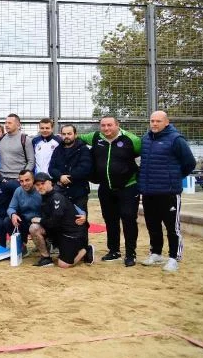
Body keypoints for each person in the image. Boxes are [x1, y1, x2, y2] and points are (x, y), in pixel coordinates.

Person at [78, 116, 142, 266]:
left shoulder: (132, 140)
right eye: (103, 125)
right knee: (110, 220)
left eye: (110, 125)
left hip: (128, 187)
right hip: (106, 188)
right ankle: (114, 251)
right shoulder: (95, 137)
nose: (106, 128)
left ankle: (130, 253)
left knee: (128, 219)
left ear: (117, 125)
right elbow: (75, 136)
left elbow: (144, 157)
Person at [138, 111, 196, 272]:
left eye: (158, 121)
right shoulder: (146, 139)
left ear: (166, 122)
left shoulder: (176, 140)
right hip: (149, 192)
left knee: (172, 228)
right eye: (152, 121)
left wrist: (174, 177)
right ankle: (156, 253)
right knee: (153, 225)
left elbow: (190, 163)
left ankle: (173, 258)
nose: (154, 124)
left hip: (168, 193)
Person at [30, 172, 93, 269]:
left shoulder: (56, 197)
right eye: (37, 185)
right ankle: (46, 258)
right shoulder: (44, 196)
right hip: (58, 231)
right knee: (34, 228)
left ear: (50, 183)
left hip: (71, 233)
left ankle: (85, 250)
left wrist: (40, 220)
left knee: (63, 265)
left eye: (42, 183)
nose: (40, 187)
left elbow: (54, 222)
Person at [49, 124, 92, 216]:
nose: (66, 136)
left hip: (79, 191)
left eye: (69, 134)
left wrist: (68, 177)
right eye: (64, 134)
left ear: (75, 135)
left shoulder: (83, 149)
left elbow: (84, 168)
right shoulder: (57, 149)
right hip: (60, 191)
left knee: (79, 219)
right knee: (59, 218)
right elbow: (51, 168)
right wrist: (60, 176)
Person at [6, 169, 41, 255]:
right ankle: (22, 246)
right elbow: (11, 208)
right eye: (21, 181)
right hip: (25, 220)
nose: (24, 183)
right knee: (7, 221)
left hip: (40, 221)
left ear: (33, 180)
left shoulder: (40, 190)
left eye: (27, 180)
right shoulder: (18, 190)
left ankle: (47, 244)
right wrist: (13, 214)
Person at [0, 114, 35, 179]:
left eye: (9, 123)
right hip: (2, 178)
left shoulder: (25, 139)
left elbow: (31, 161)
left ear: (18, 125)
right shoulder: (1, 139)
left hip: (19, 179)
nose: (6, 125)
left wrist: (23, 177)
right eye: (5, 123)